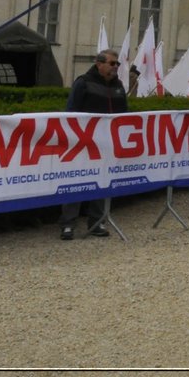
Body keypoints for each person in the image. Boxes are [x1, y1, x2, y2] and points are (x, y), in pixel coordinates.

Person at [59, 49, 127, 240]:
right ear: (99, 64)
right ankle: (68, 224)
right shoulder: (83, 83)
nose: (115, 67)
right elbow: (71, 112)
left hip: (107, 145)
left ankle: (97, 222)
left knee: (103, 182)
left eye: (117, 64)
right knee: (76, 182)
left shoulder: (119, 86)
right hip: (83, 144)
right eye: (112, 63)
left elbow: (124, 114)